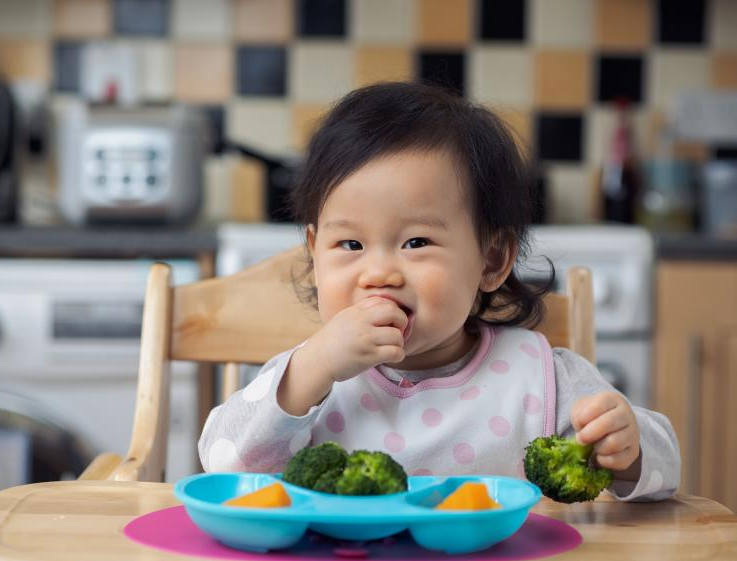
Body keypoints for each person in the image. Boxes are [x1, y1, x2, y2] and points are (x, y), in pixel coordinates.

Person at [199, 82, 680, 501]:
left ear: (491, 260)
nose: (379, 273)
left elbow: (667, 471)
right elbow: (223, 462)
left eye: (416, 242)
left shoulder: (542, 377)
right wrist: (311, 370)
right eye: (350, 243)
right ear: (314, 253)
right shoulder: (306, 377)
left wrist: (629, 448)